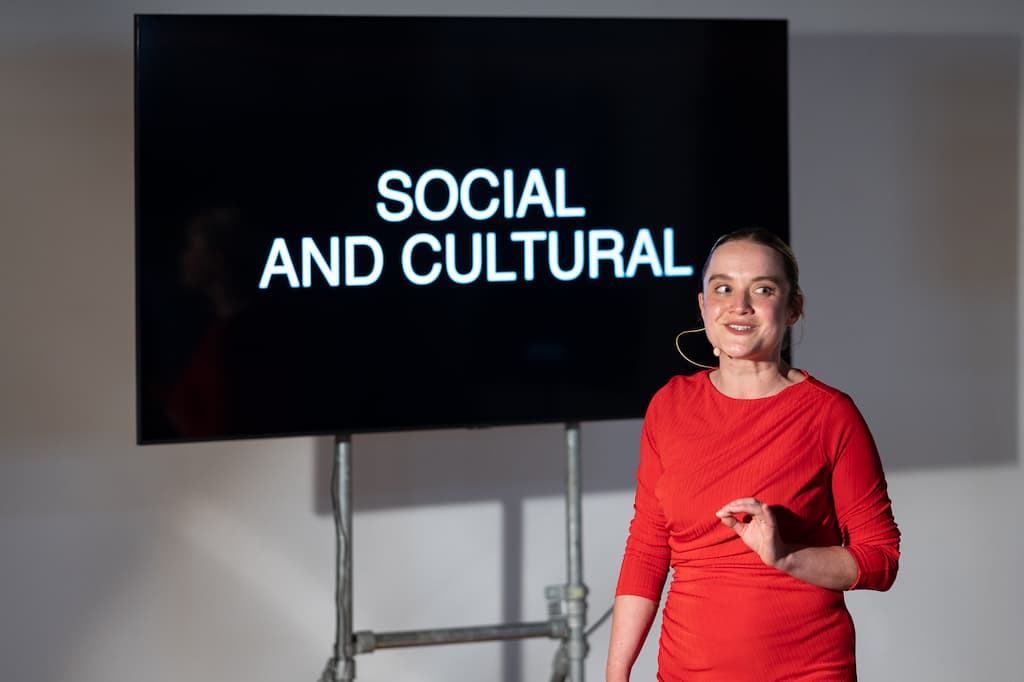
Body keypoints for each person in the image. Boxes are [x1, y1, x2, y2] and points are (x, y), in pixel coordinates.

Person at [606, 228, 900, 681]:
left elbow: (881, 560)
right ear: (703, 306)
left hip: (808, 672)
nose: (739, 305)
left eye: (762, 289)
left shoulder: (830, 414)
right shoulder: (669, 405)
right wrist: (616, 673)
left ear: (793, 308)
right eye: (723, 288)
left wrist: (787, 556)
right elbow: (647, 549)